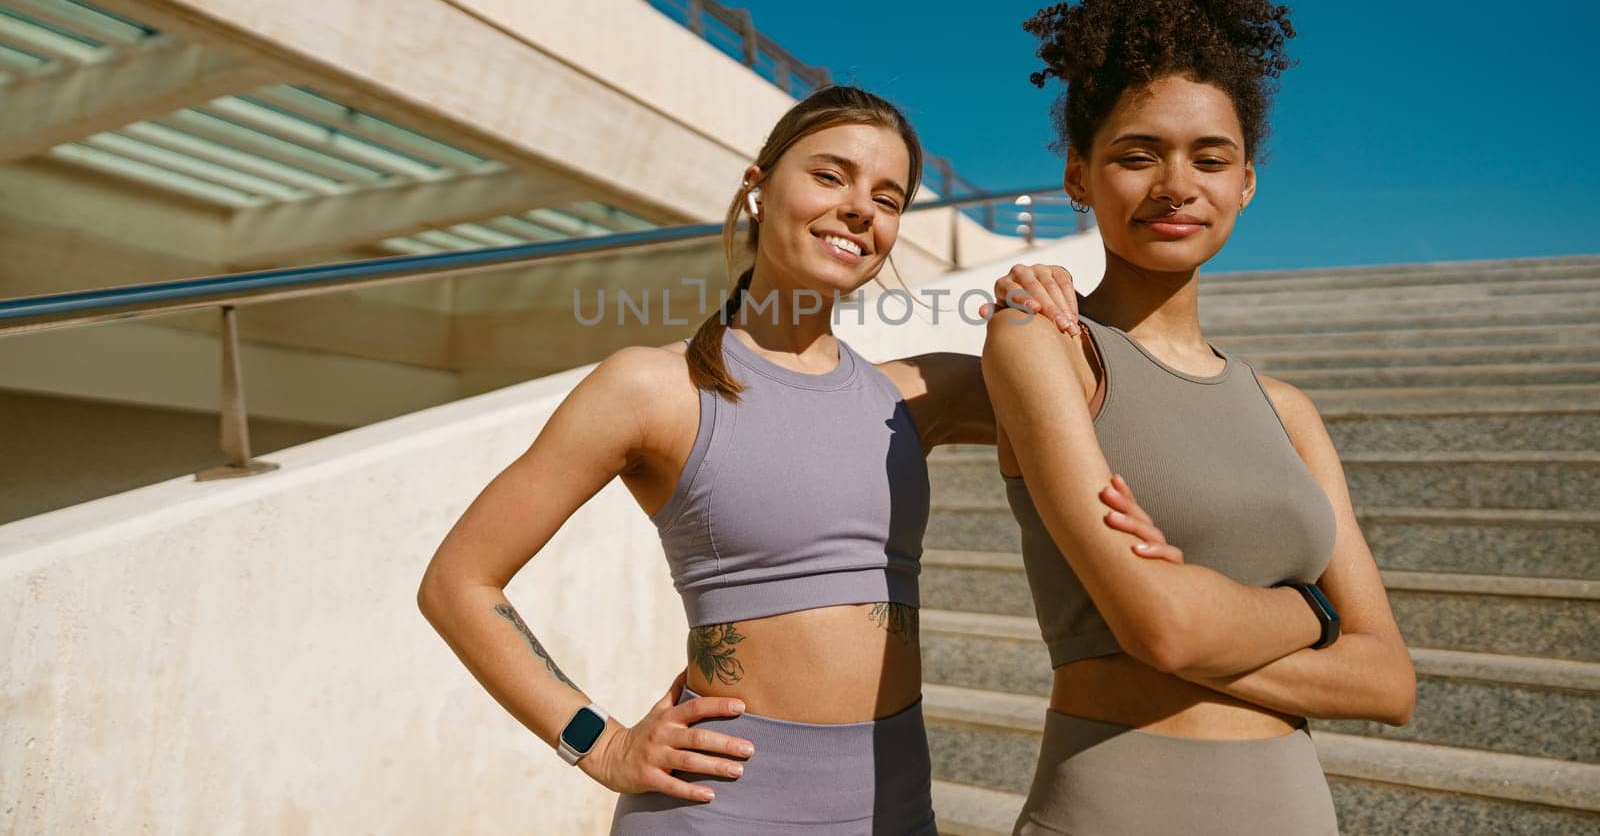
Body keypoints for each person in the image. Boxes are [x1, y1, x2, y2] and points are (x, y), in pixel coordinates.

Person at [416, 84, 1152, 833]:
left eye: (888, 197)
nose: (861, 207)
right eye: (830, 175)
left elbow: (1116, 410)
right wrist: (599, 743)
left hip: (896, 811)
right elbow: (459, 582)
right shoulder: (654, 388)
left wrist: (1047, 303)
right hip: (716, 813)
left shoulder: (921, 392)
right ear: (759, 189)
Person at [981, 0, 1417, 835]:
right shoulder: (1044, 342)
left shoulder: (1287, 408)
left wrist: (1213, 614)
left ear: (1247, 181)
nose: (1177, 184)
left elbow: (1391, 680)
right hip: (1112, 806)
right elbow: (1164, 628)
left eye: (1209, 157)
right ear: (1078, 174)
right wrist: (1312, 609)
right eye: (1137, 154)